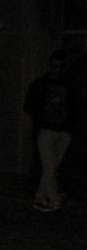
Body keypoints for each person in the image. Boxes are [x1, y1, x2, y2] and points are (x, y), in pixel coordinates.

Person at [23, 50, 75, 212]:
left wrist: (70, 127)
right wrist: (40, 120)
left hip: (62, 131)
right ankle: (54, 199)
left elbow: (75, 106)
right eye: (54, 66)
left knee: (51, 168)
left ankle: (40, 197)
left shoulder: (68, 85)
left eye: (60, 66)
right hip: (46, 130)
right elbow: (29, 105)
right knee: (50, 166)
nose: (57, 70)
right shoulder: (40, 84)